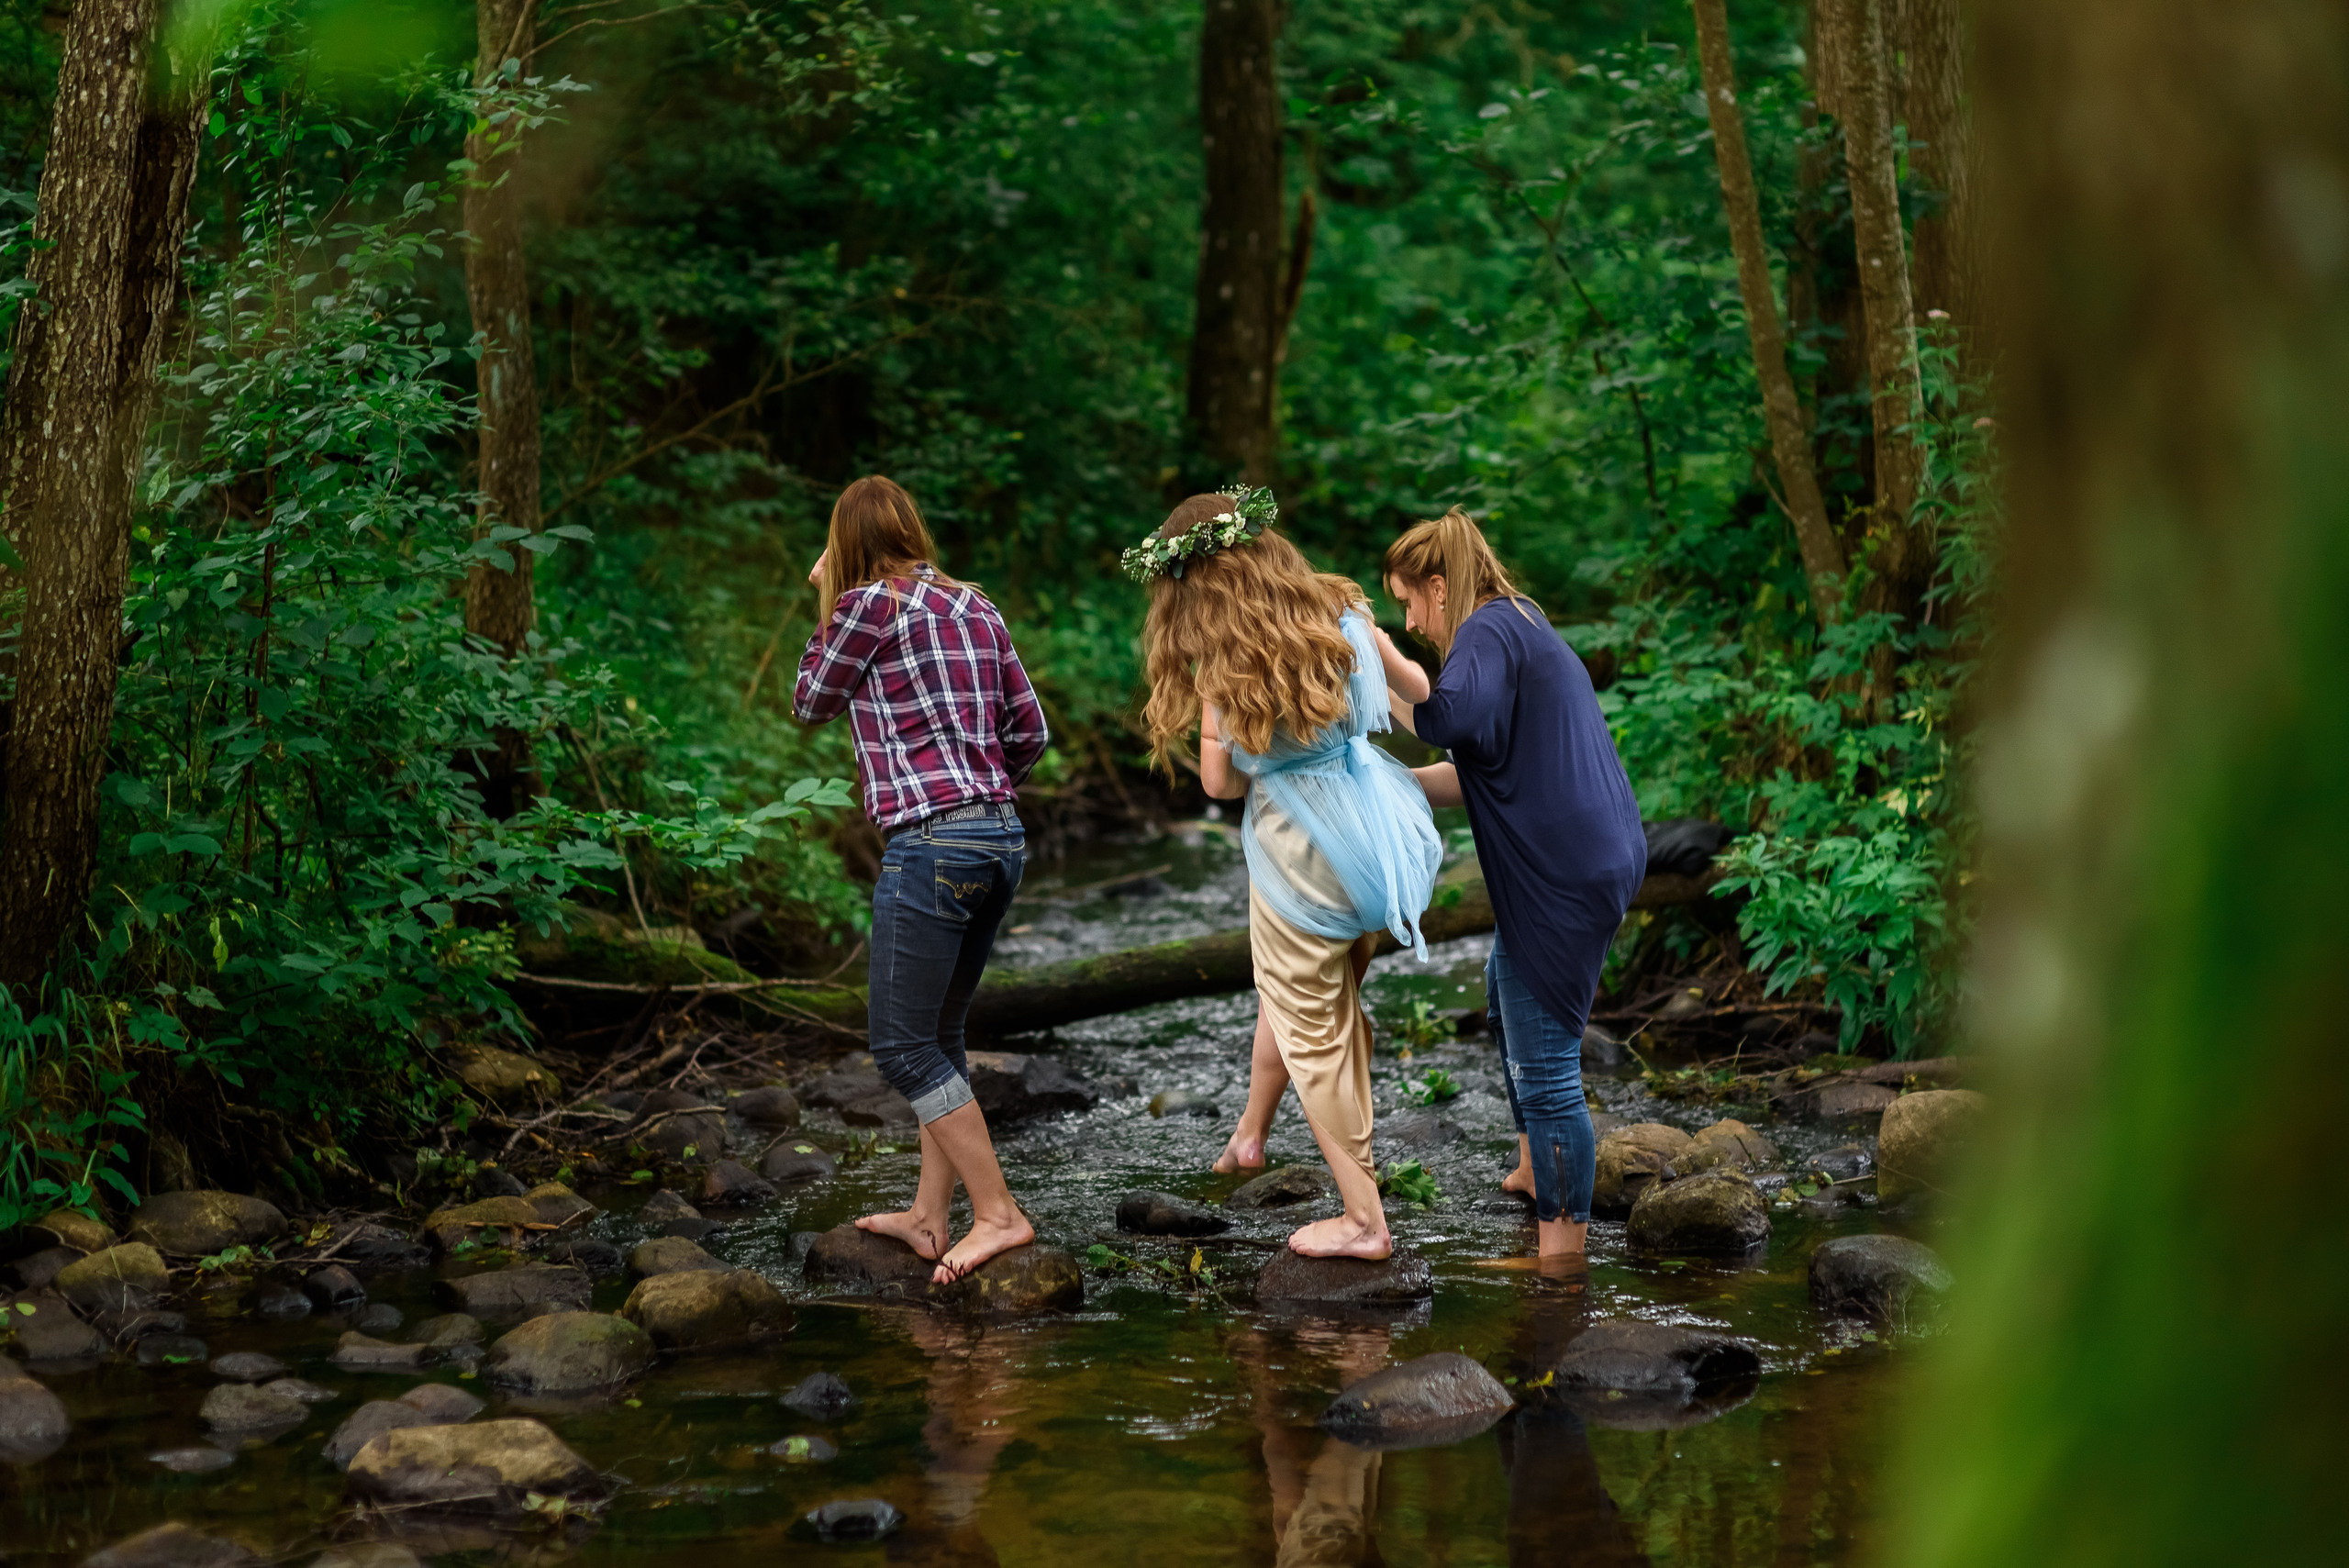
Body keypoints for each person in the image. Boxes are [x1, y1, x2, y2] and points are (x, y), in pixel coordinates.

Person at [1134, 486, 1441, 1259]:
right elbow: (1420, 698)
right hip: (1373, 836)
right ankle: (1252, 1134)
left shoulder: (1224, 663)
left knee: (1313, 1033)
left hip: (1296, 859)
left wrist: (1219, 713)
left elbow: (1220, 787)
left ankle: (1364, 1218)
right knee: (1321, 1004)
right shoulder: (1342, 615)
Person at [794, 475, 1049, 1283]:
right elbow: (1030, 731)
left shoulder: (865, 605)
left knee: (903, 1047)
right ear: (910, 529)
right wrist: (978, 788)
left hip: (932, 845)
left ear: (846, 542)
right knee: (940, 1037)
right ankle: (928, 1215)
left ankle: (998, 1212)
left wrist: (825, 597)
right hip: (1001, 838)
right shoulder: (977, 605)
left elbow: (810, 700)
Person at [1385, 507, 1644, 1262]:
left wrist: (1373, 667)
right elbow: (1477, 768)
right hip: (1592, 852)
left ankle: (1562, 1255)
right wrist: (1389, 785)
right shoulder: (1518, 621)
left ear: (1440, 586)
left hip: (1566, 869)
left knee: (1550, 1063)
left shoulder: (1487, 629)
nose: (1410, 622)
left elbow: (1447, 717)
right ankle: (1534, 1166)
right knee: (1506, 988)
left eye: (1409, 603)